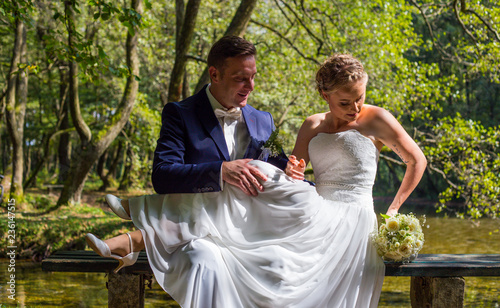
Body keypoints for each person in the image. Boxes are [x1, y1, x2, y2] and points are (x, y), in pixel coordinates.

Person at [87, 53, 427, 307]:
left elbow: (416, 161)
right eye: (345, 101)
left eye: (360, 98)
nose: (355, 108)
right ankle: (140, 229)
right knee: (251, 172)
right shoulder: (311, 125)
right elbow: (294, 170)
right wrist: (294, 170)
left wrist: (394, 212)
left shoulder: (377, 119)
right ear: (325, 95)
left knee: (253, 171)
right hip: (316, 209)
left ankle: (140, 222)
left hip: (353, 218)